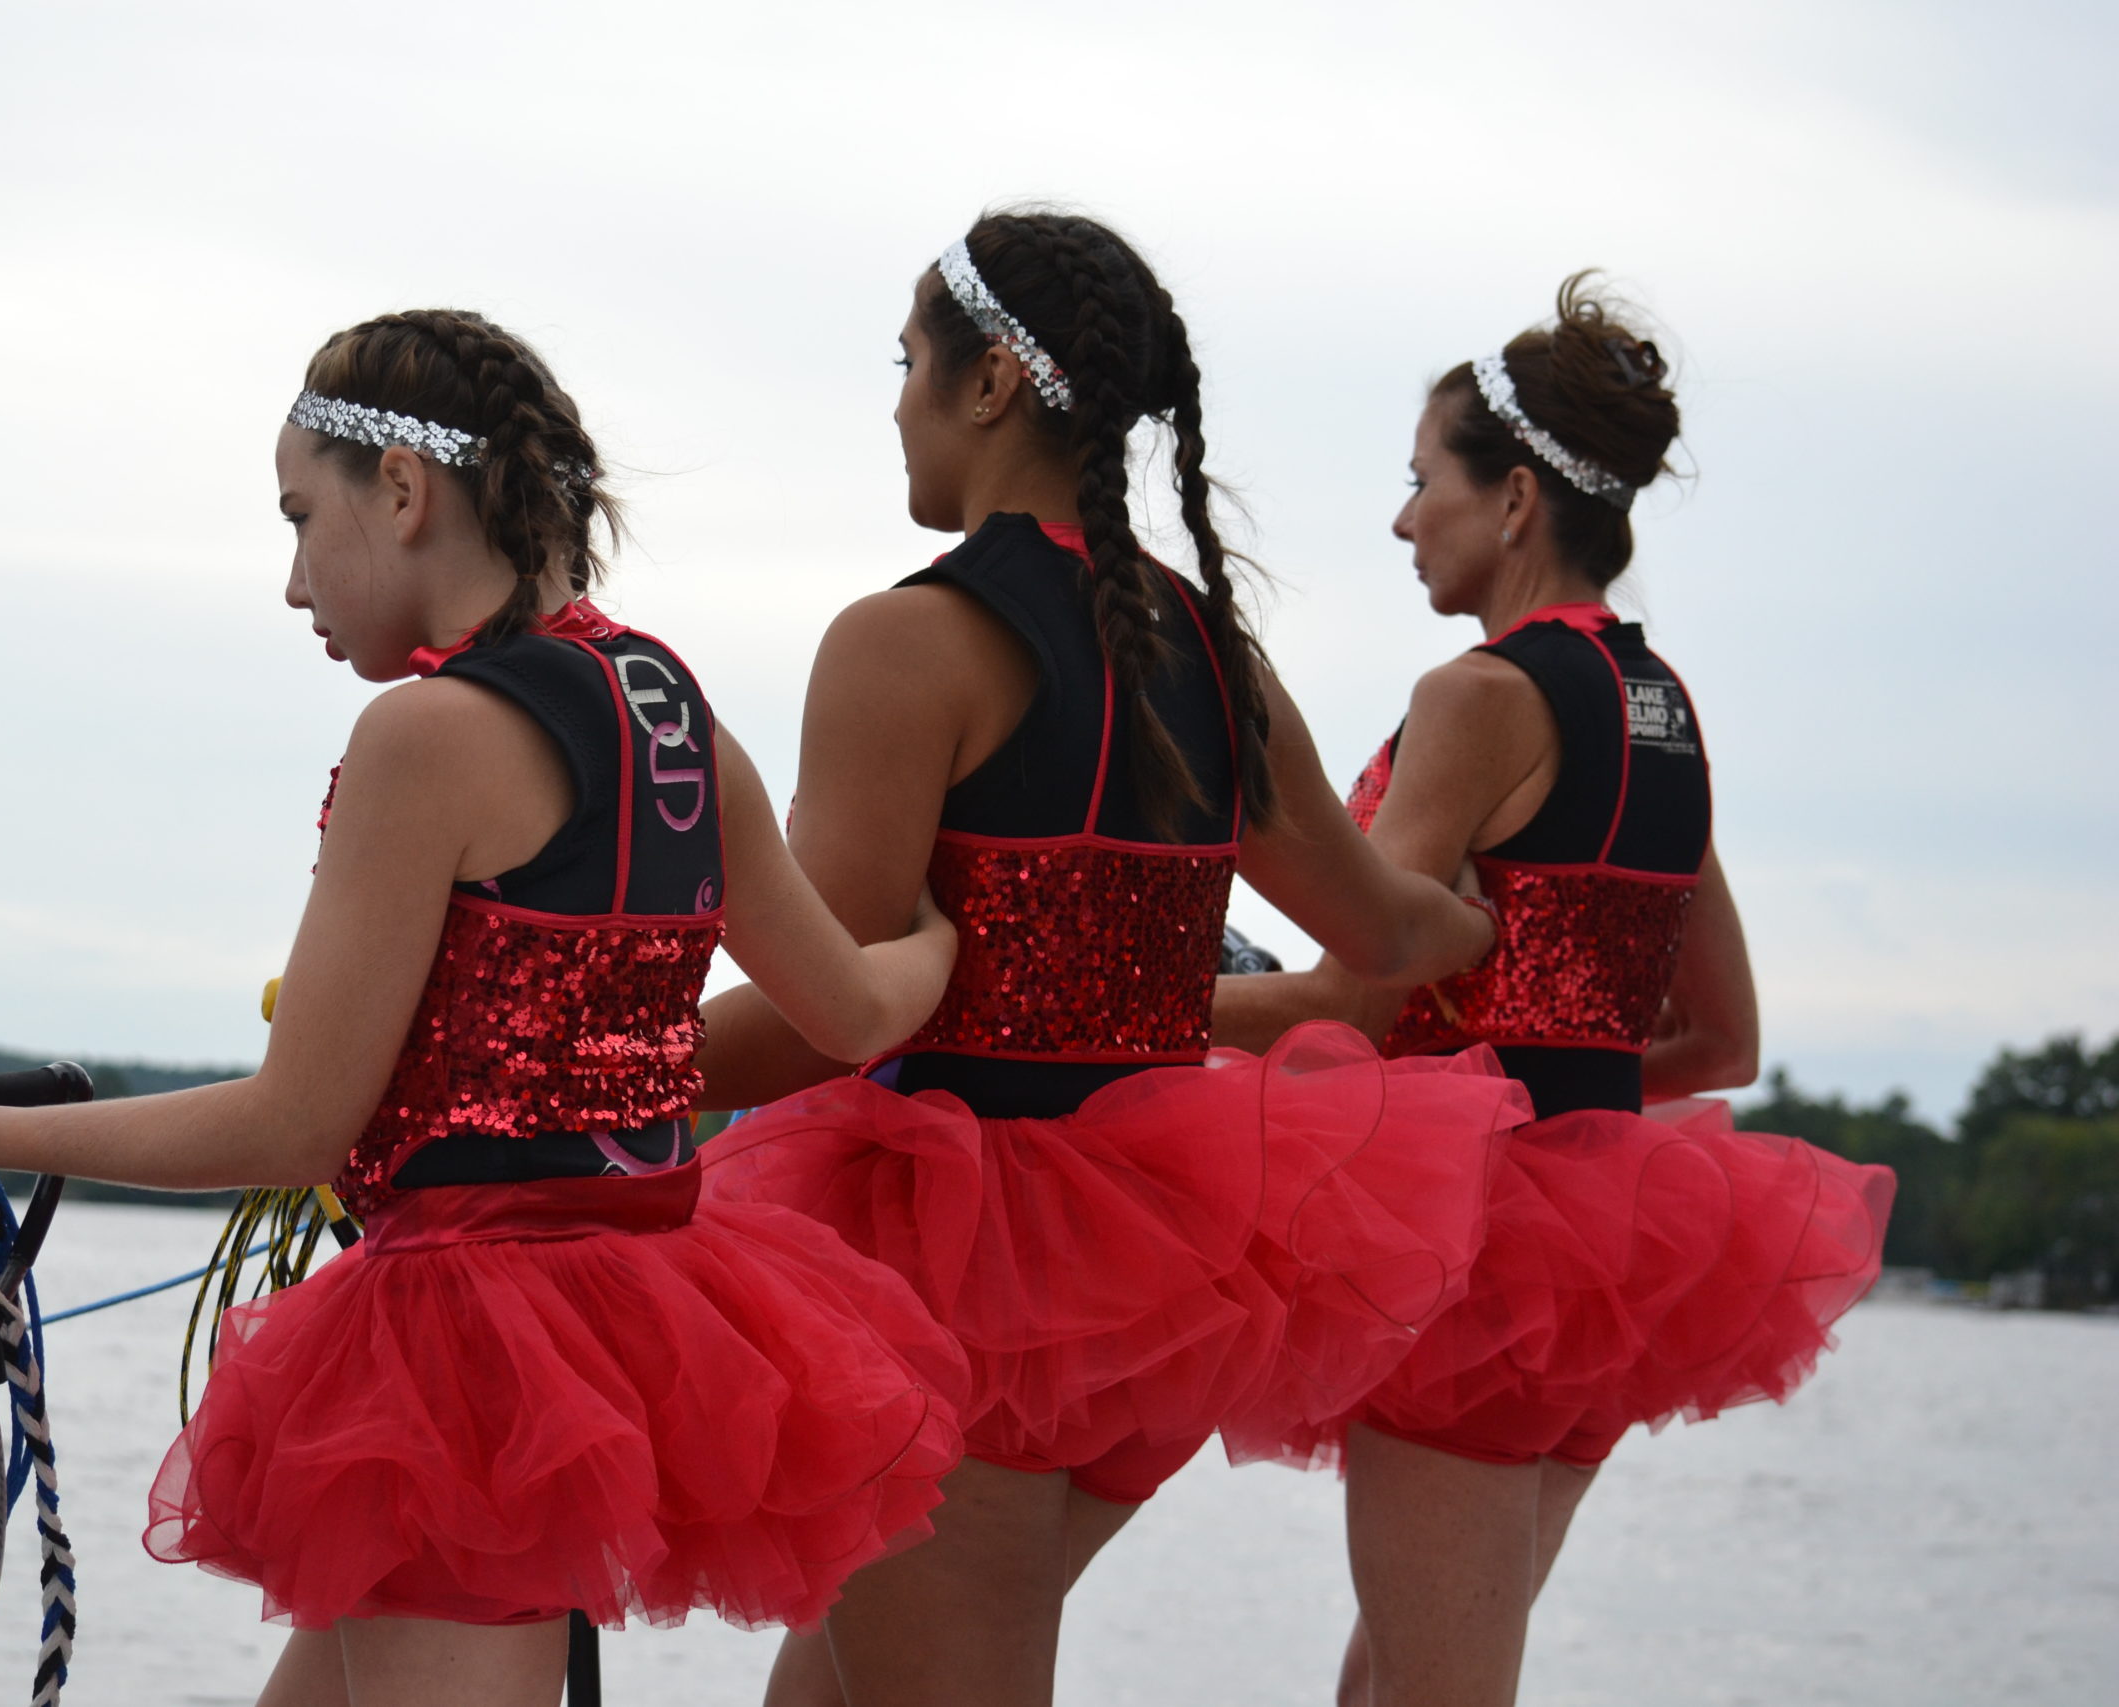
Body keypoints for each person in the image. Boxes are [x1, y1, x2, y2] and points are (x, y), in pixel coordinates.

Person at [0, 308, 975, 1707]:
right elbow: (853, 1013)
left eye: (303, 515)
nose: (294, 578)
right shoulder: (674, 713)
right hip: (640, 1314)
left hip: (470, 1361)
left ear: (406, 493)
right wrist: (937, 937)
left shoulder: (425, 737)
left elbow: (300, 1122)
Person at [696, 212, 1529, 1707]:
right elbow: (1387, 931)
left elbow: (825, 1014)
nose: (893, 398)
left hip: (953, 1282)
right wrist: (1495, 923)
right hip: (1165, 1270)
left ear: (990, 384)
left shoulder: (910, 647)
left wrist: (544, 1080)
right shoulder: (1211, 651)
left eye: (907, 361)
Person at [1210, 274, 1896, 1707]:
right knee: (1400, 1682)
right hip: (1611, 1254)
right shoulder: (1666, 713)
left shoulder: (1481, 696)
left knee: (1441, 1689)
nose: (1404, 522)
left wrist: (1143, 1003)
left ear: (1515, 498)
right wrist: (1552, 1091)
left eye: (1421, 484)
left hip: (1468, 1254)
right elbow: (1723, 1041)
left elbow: (1357, 986)